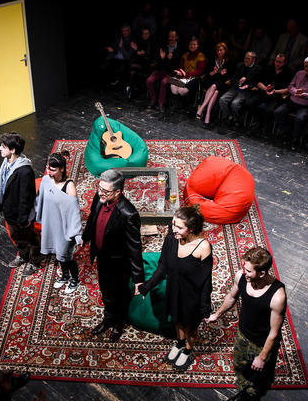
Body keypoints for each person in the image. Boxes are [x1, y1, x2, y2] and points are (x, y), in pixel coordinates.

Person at [206, 247, 286, 401]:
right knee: (241, 367)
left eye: (249, 271)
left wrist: (262, 357)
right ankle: (243, 393)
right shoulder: (241, 276)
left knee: (259, 377)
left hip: (262, 342)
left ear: (262, 273)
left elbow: (274, 333)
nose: (244, 273)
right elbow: (231, 297)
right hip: (243, 335)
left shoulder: (277, 295)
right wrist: (217, 314)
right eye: (244, 268)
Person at [135, 205, 213, 371]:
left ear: (191, 229)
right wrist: (146, 286)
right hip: (174, 290)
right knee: (177, 321)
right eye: (173, 224)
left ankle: (188, 350)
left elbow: (207, 281)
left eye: (179, 227)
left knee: (190, 327)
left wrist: (205, 308)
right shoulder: (171, 239)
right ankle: (179, 343)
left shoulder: (203, 247)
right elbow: (162, 267)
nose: (174, 229)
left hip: (192, 295)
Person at [82, 169, 145, 342]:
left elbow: (135, 247)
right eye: (99, 188)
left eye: (105, 191)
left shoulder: (129, 214)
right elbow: (93, 217)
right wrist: (86, 236)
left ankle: (119, 322)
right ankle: (109, 318)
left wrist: (138, 279)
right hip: (102, 257)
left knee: (120, 294)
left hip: (119, 263)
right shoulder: (100, 197)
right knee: (106, 291)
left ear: (118, 192)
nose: (100, 193)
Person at [0, 131, 42, 277]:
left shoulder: (25, 171)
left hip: (21, 215)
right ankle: (23, 255)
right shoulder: (6, 162)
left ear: (13, 150)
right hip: (9, 211)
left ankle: (35, 261)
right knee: (16, 236)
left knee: (31, 239)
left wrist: (23, 218)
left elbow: (26, 197)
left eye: (3, 146)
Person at [35, 151, 83, 294]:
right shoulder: (46, 180)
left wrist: (77, 234)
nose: (49, 172)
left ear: (62, 169)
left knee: (66, 256)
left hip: (64, 229)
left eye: (53, 170)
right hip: (51, 226)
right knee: (59, 256)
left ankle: (75, 279)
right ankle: (65, 276)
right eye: (47, 168)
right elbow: (39, 200)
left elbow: (74, 212)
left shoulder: (69, 186)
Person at [272, 56, 308, 147]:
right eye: (305, 66)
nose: (307, 68)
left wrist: (306, 95)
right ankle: (285, 132)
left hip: (305, 105)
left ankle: (295, 137)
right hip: (292, 101)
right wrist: (295, 91)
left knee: (300, 118)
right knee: (278, 112)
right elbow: (290, 87)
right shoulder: (299, 73)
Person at [245, 52, 294, 136]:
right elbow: (258, 82)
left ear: (285, 63)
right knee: (249, 103)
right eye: (276, 61)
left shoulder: (288, 73)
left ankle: (267, 126)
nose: (277, 64)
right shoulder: (269, 68)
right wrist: (265, 88)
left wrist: (275, 91)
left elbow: (288, 89)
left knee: (270, 110)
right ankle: (258, 120)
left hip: (276, 96)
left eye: (280, 62)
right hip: (264, 93)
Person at [217, 51, 262, 129]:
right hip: (237, 87)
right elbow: (233, 78)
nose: (246, 60)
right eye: (245, 58)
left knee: (235, 103)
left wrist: (247, 85)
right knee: (222, 99)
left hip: (247, 90)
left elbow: (257, 83)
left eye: (248, 59)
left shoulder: (258, 69)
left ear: (253, 59)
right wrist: (239, 82)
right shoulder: (239, 65)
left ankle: (236, 120)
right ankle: (227, 118)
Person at [195, 42, 232, 128]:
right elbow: (207, 74)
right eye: (218, 50)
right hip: (210, 82)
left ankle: (202, 108)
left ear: (225, 51)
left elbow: (229, 78)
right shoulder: (212, 60)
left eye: (221, 50)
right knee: (215, 90)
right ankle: (207, 115)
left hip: (221, 84)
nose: (219, 52)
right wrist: (213, 73)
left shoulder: (229, 62)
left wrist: (222, 75)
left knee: (215, 87)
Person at [146, 28, 180, 112]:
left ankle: (161, 103)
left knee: (164, 82)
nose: (170, 38)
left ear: (176, 37)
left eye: (172, 37)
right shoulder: (163, 46)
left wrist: (170, 59)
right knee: (149, 81)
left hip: (170, 71)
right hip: (161, 69)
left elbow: (177, 64)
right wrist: (162, 58)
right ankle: (153, 99)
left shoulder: (179, 48)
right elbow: (158, 60)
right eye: (169, 36)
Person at [168, 37, 206, 111]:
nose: (192, 46)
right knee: (173, 87)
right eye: (191, 44)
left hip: (194, 78)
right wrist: (179, 72)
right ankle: (177, 102)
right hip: (183, 76)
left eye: (194, 44)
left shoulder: (200, 56)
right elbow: (181, 67)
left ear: (198, 45)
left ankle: (185, 103)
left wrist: (186, 75)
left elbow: (200, 71)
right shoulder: (185, 55)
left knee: (181, 90)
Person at [99, 23, 136, 88]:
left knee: (121, 68)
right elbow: (114, 47)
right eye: (123, 31)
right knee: (103, 66)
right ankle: (106, 84)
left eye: (126, 31)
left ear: (129, 31)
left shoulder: (133, 40)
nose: (124, 33)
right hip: (115, 57)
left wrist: (121, 47)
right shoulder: (118, 38)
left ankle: (119, 84)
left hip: (125, 60)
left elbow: (128, 56)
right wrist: (112, 49)